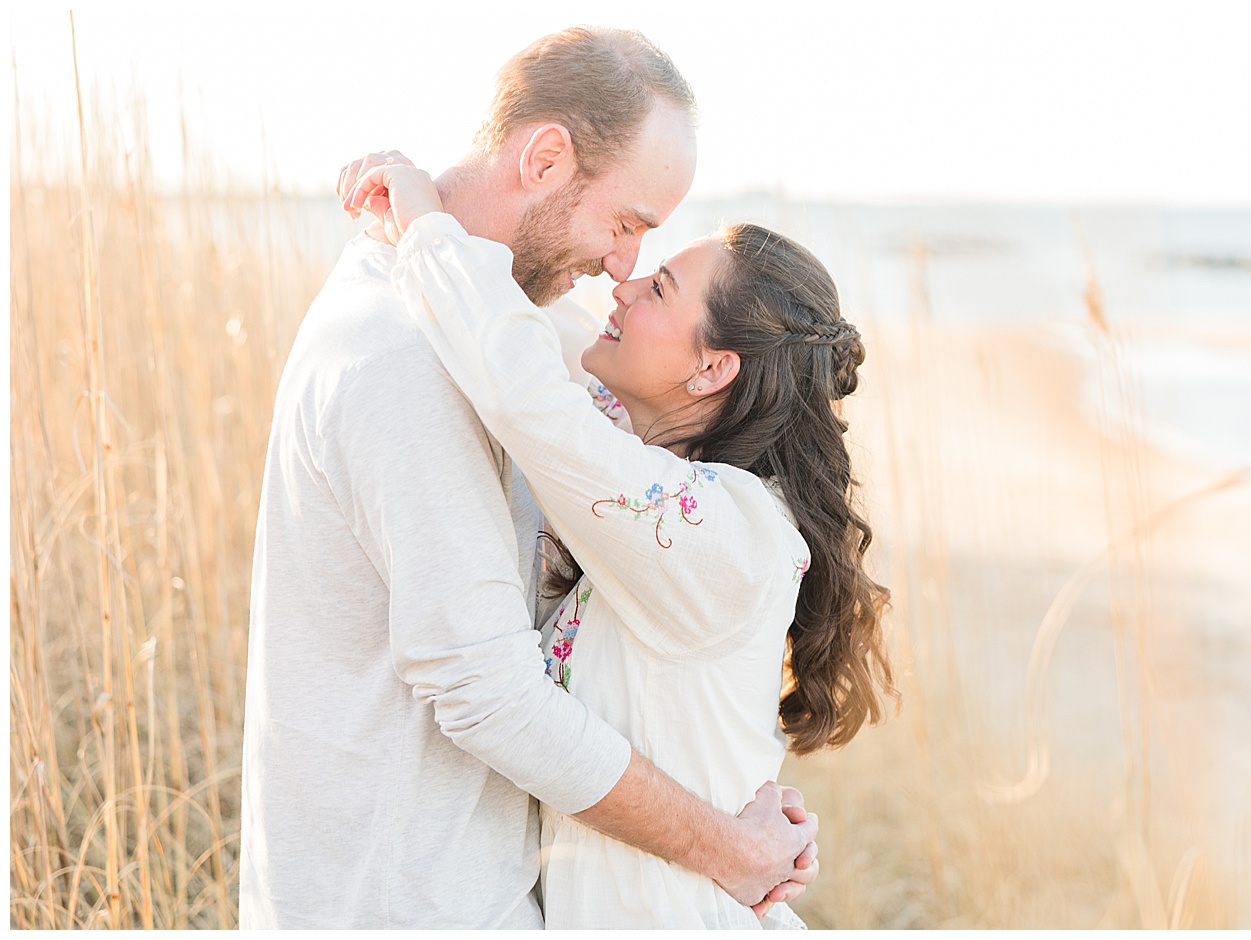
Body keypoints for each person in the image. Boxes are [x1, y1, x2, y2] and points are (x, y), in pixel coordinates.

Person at [239, 27, 818, 930]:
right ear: (546, 158)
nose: (622, 268)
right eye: (627, 224)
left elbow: (548, 379)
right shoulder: (406, 359)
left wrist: (728, 777)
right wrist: (729, 845)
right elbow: (488, 693)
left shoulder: (495, 338)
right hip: (399, 904)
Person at [335, 148, 898, 927]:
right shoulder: (648, 465)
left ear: (710, 369)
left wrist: (429, 225)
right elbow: (538, 337)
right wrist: (437, 232)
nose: (623, 283)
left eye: (660, 287)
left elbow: (526, 394)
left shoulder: (729, 532)